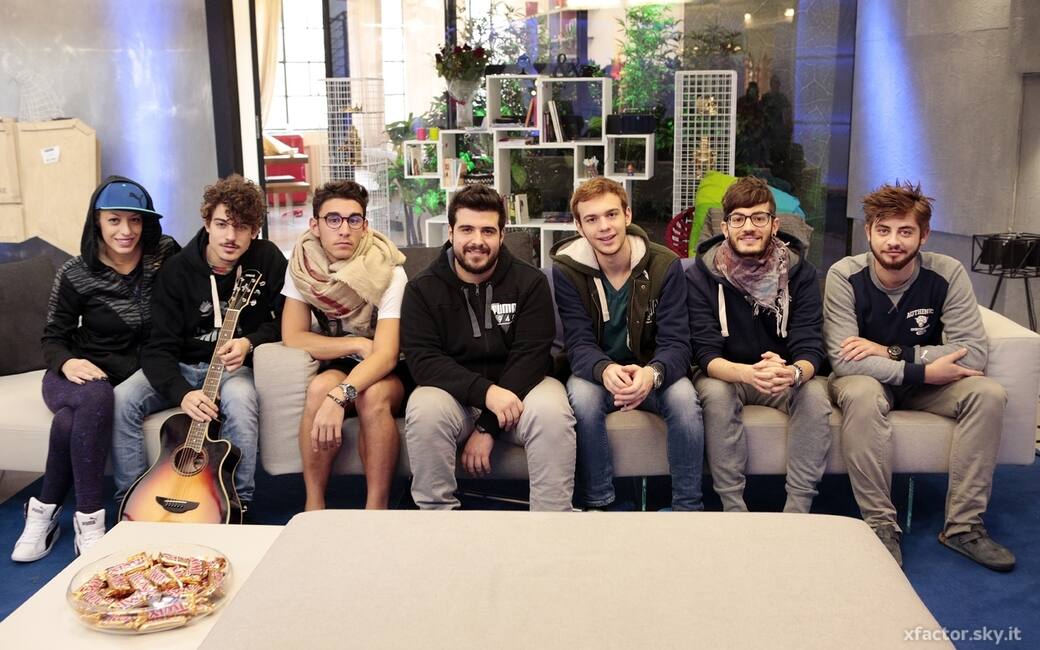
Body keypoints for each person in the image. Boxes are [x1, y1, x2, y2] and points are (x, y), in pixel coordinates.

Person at [824, 180, 1014, 571]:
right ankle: (880, 525)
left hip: (926, 384)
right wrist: (923, 369)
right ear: (868, 232)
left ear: (924, 235)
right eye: (884, 230)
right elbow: (845, 360)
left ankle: (964, 527)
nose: (893, 241)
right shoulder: (844, 275)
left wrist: (892, 353)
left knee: (988, 393)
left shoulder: (947, 273)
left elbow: (972, 351)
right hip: (870, 381)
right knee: (861, 392)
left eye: (905, 231)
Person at [12, 177, 179, 561]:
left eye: (135, 220)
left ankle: (42, 511)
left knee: (69, 422)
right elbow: (53, 338)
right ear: (97, 221)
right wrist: (67, 361)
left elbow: (198, 276)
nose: (126, 231)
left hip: (136, 374)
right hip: (74, 374)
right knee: (98, 395)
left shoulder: (163, 254)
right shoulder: (76, 272)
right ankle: (89, 521)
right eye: (114, 220)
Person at [111, 175, 287, 516]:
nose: (231, 236)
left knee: (241, 400)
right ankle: (131, 504)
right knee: (121, 399)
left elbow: (290, 319)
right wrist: (181, 393)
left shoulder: (266, 259)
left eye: (242, 227)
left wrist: (250, 342)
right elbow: (158, 347)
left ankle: (235, 504)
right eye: (222, 224)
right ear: (207, 223)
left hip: (232, 370)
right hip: (181, 366)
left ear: (255, 230)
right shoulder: (177, 271)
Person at [401, 184, 575, 511]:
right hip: (454, 396)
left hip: (522, 391)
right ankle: (436, 521)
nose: (477, 240)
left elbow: (532, 356)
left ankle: (552, 521)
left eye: (488, 231)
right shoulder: (421, 289)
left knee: (553, 410)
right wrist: (487, 394)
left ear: (502, 235)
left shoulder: (530, 282)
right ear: (451, 232)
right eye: (467, 229)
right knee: (424, 409)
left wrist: (488, 426)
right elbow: (424, 361)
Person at [552, 177, 703, 511]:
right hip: (597, 375)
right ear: (579, 226)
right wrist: (605, 370)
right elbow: (578, 342)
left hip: (653, 372)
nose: (604, 227)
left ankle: (688, 507)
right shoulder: (566, 270)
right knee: (582, 398)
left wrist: (652, 374)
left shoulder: (665, 265)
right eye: (592, 219)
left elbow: (678, 343)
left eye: (611, 215)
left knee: (684, 399)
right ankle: (600, 504)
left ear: (628, 215)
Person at [686, 176, 831, 513]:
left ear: (774, 225)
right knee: (716, 394)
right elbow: (704, 353)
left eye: (759, 217)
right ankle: (734, 508)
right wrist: (746, 374)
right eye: (738, 218)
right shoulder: (699, 276)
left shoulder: (802, 274)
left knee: (814, 395)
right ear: (725, 227)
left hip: (782, 375)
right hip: (727, 373)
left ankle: (798, 510)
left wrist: (794, 373)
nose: (749, 227)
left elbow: (810, 345)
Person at [281, 180, 407, 511]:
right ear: (315, 225)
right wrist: (355, 344)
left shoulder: (388, 269)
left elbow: (386, 354)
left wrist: (341, 395)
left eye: (353, 220)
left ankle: (376, 509)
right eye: (333, 219)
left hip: (393, 366)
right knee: (318, 388)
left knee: (372, 396)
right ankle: (314, 504)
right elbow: (294, 336)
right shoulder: (302, 267)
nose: (344, 230)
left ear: (365, 226)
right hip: (347, 357)